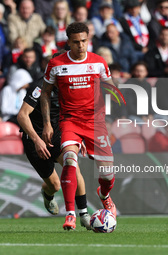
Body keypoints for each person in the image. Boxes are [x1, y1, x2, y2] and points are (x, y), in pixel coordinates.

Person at [41, 22, 116, 230]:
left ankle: (104, 195)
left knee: (107, 175)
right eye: (76, 42)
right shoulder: (56, 64)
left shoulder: (99, 62)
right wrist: (47, 123)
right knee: (69, 160)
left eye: (84, 41)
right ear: (68, 42)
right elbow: (45, 93)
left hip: (95, 122)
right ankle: (70, 214)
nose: (81, 46)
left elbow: (110, 89)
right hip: (70, 121)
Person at [16, 65, 91, 229]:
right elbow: (22, 115)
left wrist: (80, 136)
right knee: (55, 185)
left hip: (58, 134)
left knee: (73, 167)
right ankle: (47, 194)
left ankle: (84, 214)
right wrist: (37, 140)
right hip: (34, 139)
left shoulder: (72, 86)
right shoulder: (40, 86)